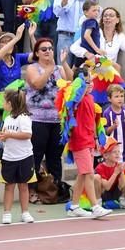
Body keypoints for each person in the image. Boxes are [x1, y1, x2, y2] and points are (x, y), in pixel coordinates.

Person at [25, 38, 72, 203]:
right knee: (36, 156)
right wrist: (50, 68)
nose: (47, 51)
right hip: (37, 119)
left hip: (56, 119)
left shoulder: (59, 68)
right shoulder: (32, 68)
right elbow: (37, 83)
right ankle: (31, 191)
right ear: (37, 53)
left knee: (55, 157)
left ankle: (56, 189)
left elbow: (70, 84)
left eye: (50, 49)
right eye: (43, 49)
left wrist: (64, 63)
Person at [65, 70, 112, 219]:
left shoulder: (90, 99)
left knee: (82, 174)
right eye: (86, 81)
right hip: (79, 141)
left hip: (89, 141)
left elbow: (92, 121)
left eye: (91, 81)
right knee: (89, 174)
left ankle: (74, 206)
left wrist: (96, 139)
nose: (90, 84)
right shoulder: (75, 100)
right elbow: (75, 94)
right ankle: (95, 206)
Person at [0, 88, 35, 224]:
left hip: (24, 157)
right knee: (9, 186)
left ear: (11, 103)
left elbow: (27, 135)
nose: (3, 103)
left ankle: (25, 212)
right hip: (9, 157)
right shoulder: (7, 119)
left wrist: (9, 135)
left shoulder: (24, 118)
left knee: (23, 186)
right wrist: (2, 137)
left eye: (4, 101)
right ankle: (7, 213)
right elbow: (7, 136)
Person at [93, 138, 125, 209]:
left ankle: (122, 199)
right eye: (114, 152)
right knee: (96, 177)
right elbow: (107, 187)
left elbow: (122, 185)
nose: (117, 154)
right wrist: (115, 173)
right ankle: (98, 202)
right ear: (106, 156)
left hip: (115, 193)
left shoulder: (118, 165)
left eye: (118, 152)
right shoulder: (100, 168)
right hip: (104, 193)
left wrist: (121, 171)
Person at [103, 84, 125, 165]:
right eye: (116, 96)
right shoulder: (107, 113)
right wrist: (113, 126)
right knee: (113, 172)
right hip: (111, 151)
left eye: (121, 96)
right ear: (109, 99)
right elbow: (105, 131)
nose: (120, 99)